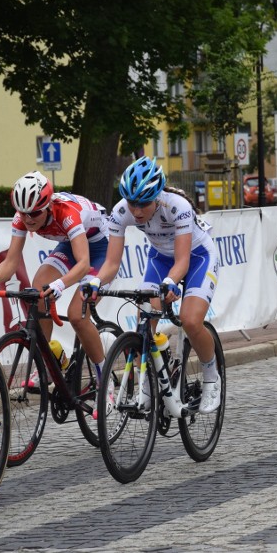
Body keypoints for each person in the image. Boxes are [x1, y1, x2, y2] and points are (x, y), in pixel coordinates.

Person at [84, 156, 221, 414]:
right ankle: (147, 384)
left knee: (190, 321)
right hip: (159, 259)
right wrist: (95, 282)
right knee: (143, 323)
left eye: (143, 203)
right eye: (132, 202)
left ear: (157, 196)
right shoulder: (121, 212)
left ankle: (212, 376)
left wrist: (171, 282)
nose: (136, 211)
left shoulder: (176, 206)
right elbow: (112, 263)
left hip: (197, 257)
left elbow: (182, 261)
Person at [0, 171, 110, 417]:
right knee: (38, 289)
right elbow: (10, 263)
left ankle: (105, 378)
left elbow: (83, 263)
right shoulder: (22, 217)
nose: (28, 219)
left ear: (47, 206)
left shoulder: (67, 213)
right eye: (23, 212)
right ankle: (49, 363)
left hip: (101, 248)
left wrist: (60, 285)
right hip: (71, 245)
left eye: (35, 213)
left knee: (78, 315)